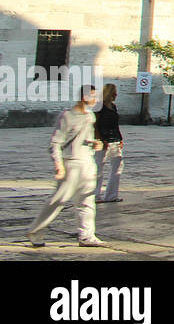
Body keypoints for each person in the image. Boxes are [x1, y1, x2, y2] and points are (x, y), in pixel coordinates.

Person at [29, 84, 104, 247]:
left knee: (87, 201)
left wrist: (95, 144)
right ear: (84, 97)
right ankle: (36, 231)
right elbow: (55, 143)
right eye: (93, 96)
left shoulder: (90, 116)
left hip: (88, 163)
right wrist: (59, 165)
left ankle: (86, 235)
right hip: (71, 164)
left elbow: (85, 138)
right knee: (58, 200)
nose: (96, 99)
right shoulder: (67, 116)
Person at [94, 83, 124, 204]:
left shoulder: (113, 107)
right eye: (114, 92)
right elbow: (95, 125)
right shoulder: (99, 107)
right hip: (103, 141)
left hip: (114, 139)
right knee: (98, 168)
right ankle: (95, 195)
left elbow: (115, 124)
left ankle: (111, 195)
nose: (116, 95)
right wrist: (100, 139)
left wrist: (120, 138)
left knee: (117, 167)